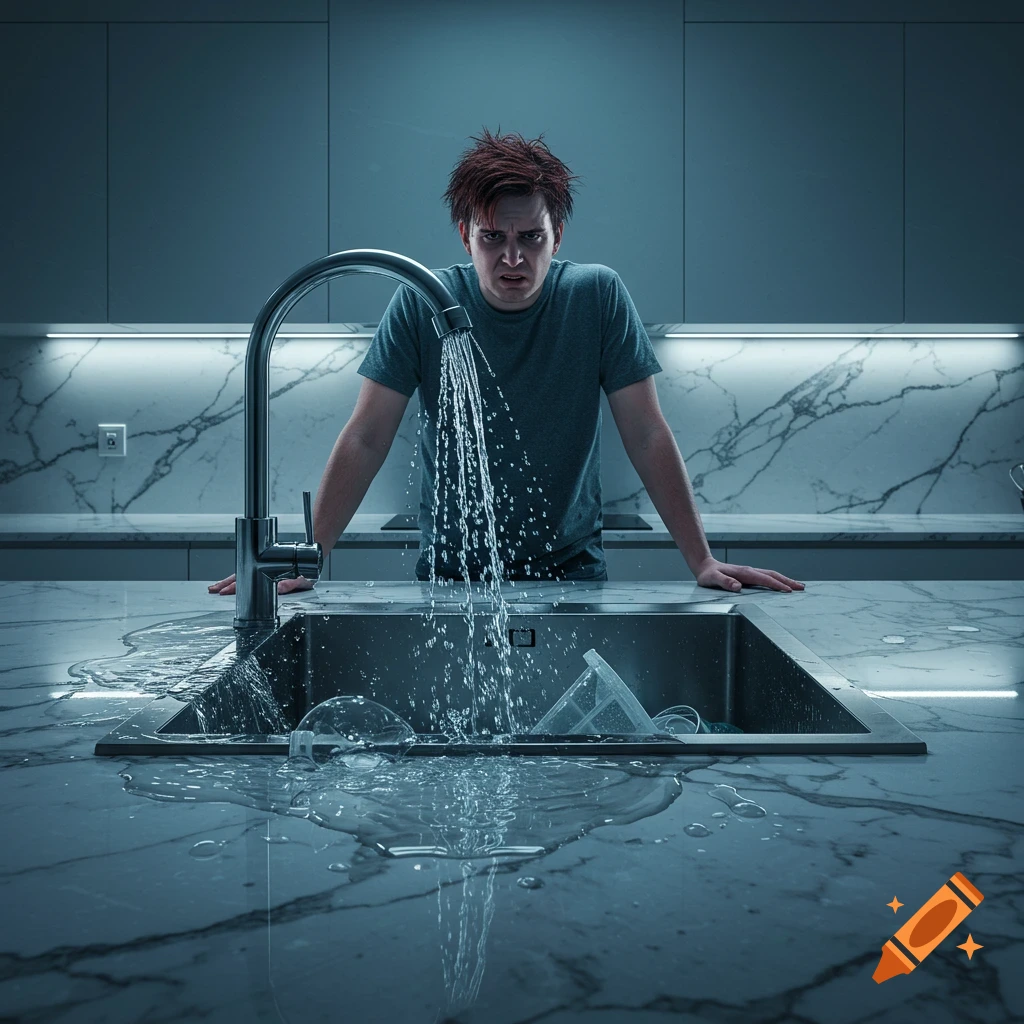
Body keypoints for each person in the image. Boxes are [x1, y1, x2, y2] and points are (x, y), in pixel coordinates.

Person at [211, 127, 803, 598]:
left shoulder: (596, 296)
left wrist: (699, 559)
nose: (512, 257)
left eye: (532, 238)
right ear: (465, 235)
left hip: (572, 578)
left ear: (559, 235)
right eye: (493, 238)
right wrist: (307, 558)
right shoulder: (425, 302)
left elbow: (647, 432)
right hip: (451, 584)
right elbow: (367, 436)